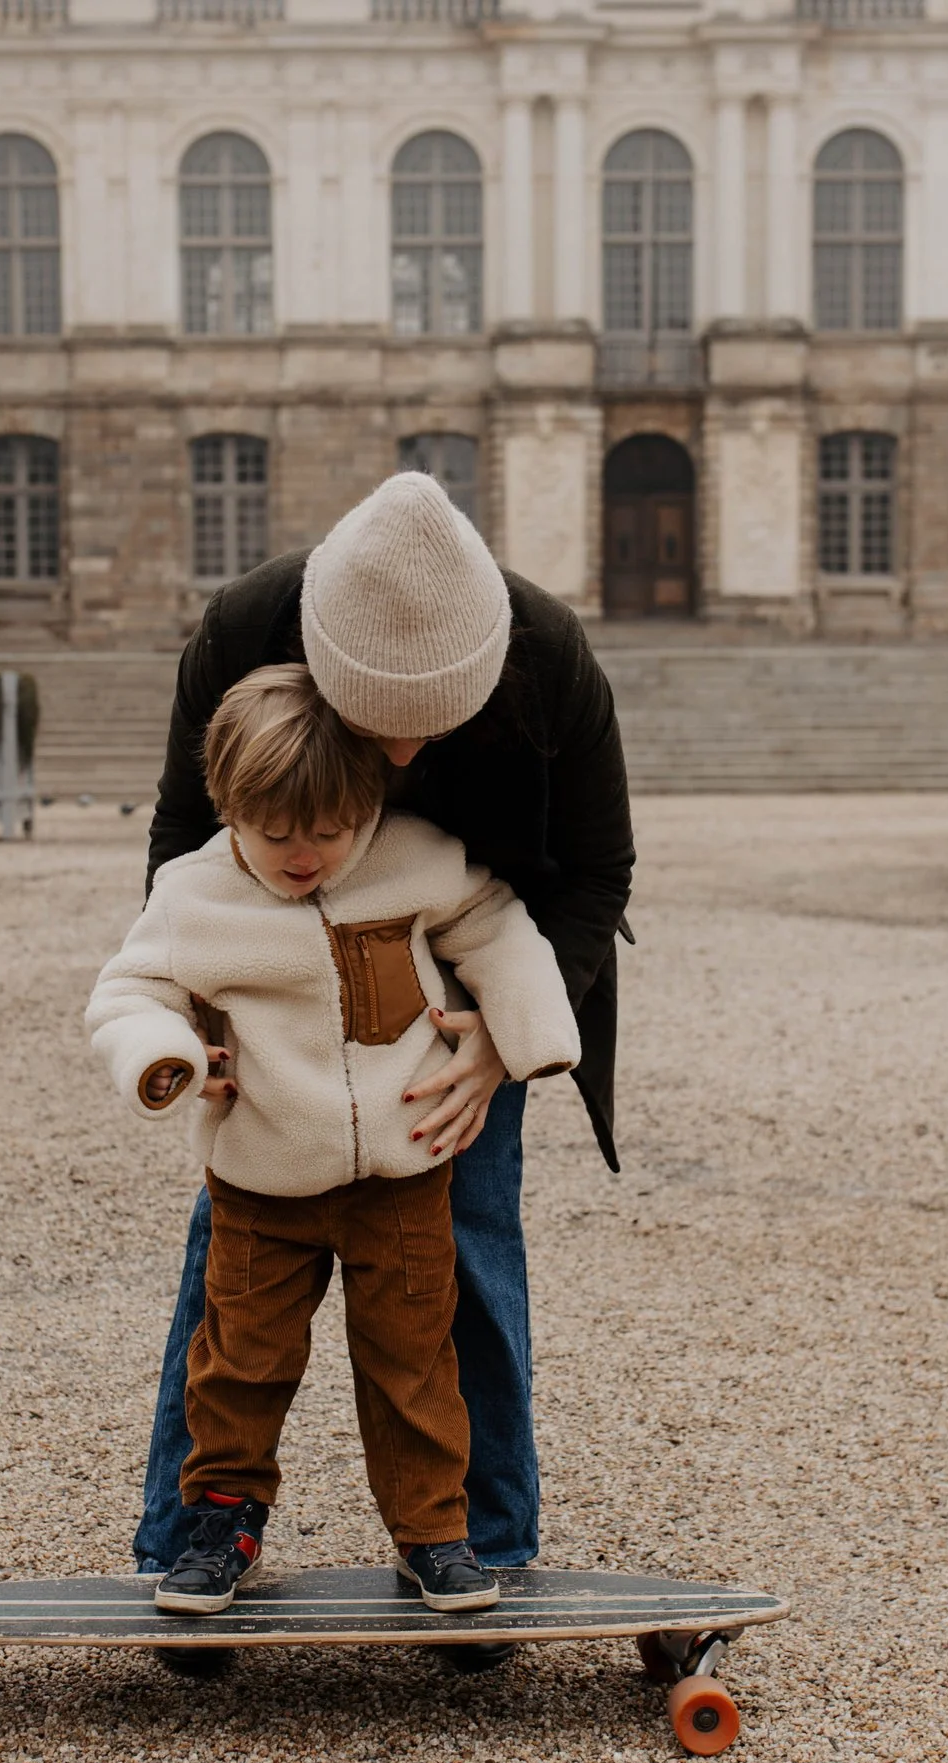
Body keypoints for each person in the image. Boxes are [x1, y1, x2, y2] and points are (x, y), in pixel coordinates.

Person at [132, 471, 636, 1613]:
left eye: (433, 724)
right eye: (374, 725)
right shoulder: (244, 627)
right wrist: (193, 1020)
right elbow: (178, 840)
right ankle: (182, 1542)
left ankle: (486, 1548)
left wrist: (503, 1043)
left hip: (481, 951)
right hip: (277, 930)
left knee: (467, 1243)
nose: (404, 755)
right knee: (235, 1258)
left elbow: (594, 873)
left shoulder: (548, 655)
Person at [89, 662, 582, 1616]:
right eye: (276, 834)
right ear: (232, 806)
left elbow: (496, 920)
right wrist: (171, 1055)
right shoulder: (194, 895)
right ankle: (217, 1528)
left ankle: (435, 1534)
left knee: (415, 1361)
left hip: (400, 1180)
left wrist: (532, 1033)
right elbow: (128, 990)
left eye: (331, 830)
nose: (306, 854)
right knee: (240, 1362)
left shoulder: (414, 856)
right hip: (262, 1186)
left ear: (369, 802)